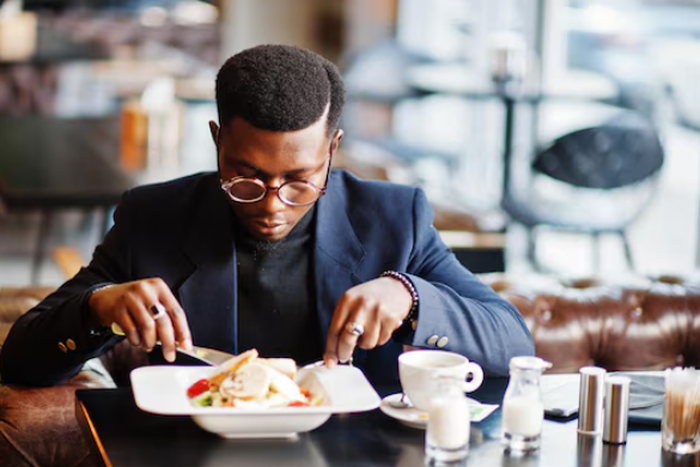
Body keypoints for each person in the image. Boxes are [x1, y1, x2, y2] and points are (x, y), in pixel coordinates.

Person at [0, 44, 534, 389]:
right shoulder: (154, 217)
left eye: (301, 179)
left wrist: (411, 296)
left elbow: (513, 344)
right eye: (247, 178)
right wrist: (97, 308)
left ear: (334, 148)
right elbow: (21, 358)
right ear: (216, 141)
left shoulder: (394, 218)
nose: (273, 205)